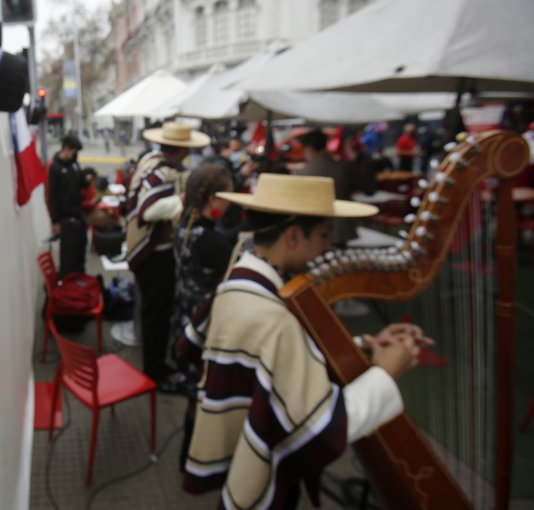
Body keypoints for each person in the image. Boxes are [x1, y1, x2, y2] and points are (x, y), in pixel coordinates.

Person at [182, 173, 431, 508]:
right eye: (325, 234)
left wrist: (364, 346)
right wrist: (385, 375)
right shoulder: (273, 315)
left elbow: (277, 362)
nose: (328, 246)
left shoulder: (241, 275)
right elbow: (316, 429)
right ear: (294, 236)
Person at [125, 121, 211, 392]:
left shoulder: (152, 163)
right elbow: (147, 210)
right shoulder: (162, 173)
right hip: (153, 255)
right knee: (156, 315)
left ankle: (157, 365)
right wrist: (183, 200)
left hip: (150, 253)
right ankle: (154, 371)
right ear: (183, 149)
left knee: (156, 313)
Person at [169, 163, 235, 469]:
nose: (233, 201)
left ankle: (187, 455)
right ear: (214, 200)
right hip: (206, 320)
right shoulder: (214, 243)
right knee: (204, 391)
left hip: (185, 314)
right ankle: (196, 457)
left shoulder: (184, 226)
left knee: (194, 393)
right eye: (229, 195)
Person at [297, 129, 362, 247]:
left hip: (316, 230)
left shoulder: (303, 173)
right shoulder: (343, 167)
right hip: (342, 227)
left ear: (310, 149)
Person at [47, 134, 88, 275]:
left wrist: (87, 179)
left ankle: (80, 280)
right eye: (73, 151)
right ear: (66, 148)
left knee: (81, 250)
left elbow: (80, 182)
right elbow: (52, 196)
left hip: (79, 214)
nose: (74, 155)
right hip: (65, 217)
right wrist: (55, 222)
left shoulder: (74, 164)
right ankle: (67, 283)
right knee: (69, 254)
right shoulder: (55, 167)